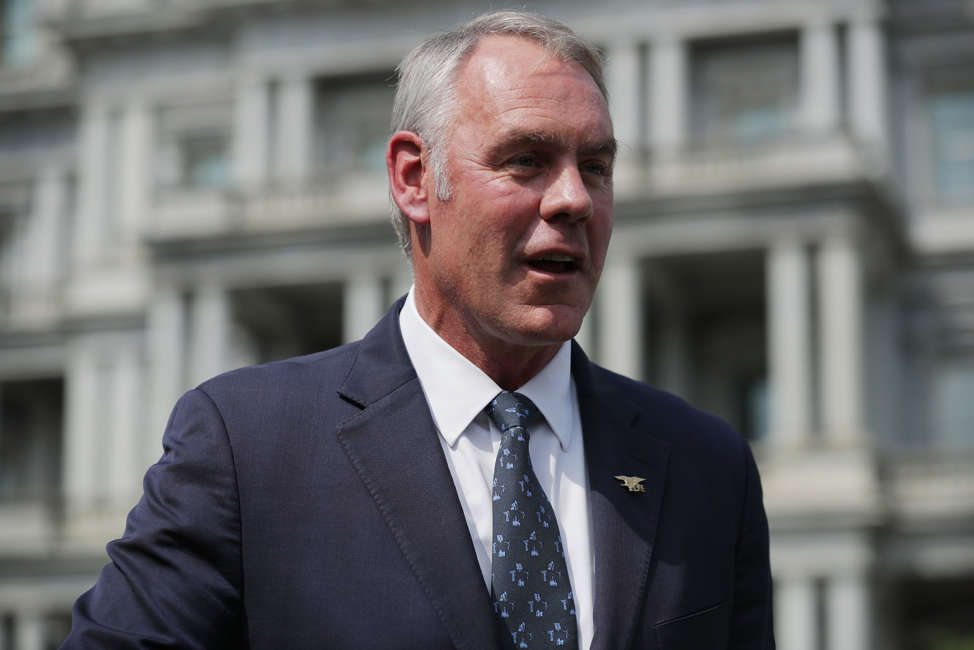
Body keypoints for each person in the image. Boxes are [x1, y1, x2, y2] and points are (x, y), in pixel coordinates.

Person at [63, 11, 774, 650]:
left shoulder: (707, 467)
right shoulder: (246, 447)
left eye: (596, 166)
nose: (574, 199)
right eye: (525, 159)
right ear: (413, 178)